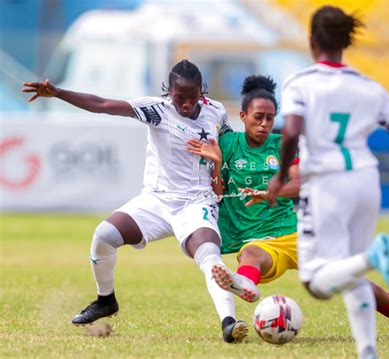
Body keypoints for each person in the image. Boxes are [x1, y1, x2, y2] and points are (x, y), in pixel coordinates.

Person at [187, 75, 389, 342]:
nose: (264, 124)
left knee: (354, 282)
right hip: (257, 242)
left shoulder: (282, 145)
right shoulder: (228, 145)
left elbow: (301, 183)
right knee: (250, 253)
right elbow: (217, 194)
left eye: (270, 117)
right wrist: (217, 164)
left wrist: (270, 193)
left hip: (293, 233)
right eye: (258, 117)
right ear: (242, 115)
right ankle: (244, 283)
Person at [21, 59, 251, 343]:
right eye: (181, 97)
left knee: (209, 257)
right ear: (169, 92)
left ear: (202, 92)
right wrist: (58, 93)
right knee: (103, 235)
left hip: (196, 202)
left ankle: (229, 323)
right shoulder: (157, 109)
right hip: (155, 200)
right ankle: (106, 301)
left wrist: (220, 166)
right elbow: (102, 104)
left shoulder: (216, 112)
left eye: (193, 97)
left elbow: (227, 155)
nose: (187, 104)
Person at [266, 6, 389, 357]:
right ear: (346, 42)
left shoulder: (301, 83)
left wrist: (279, 175)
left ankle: (373, 256)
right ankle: (367, 351)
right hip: (365, 182)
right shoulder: (369, 86)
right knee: (349, 270)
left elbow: (290, 134)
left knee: (317, 281)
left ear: (311, 40)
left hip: (325, 185)